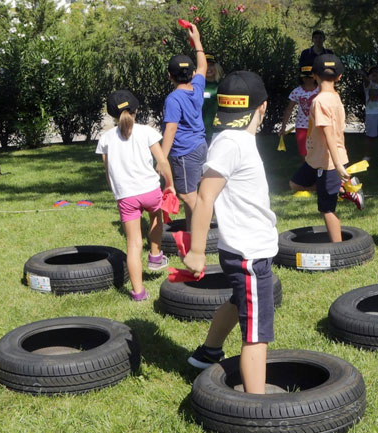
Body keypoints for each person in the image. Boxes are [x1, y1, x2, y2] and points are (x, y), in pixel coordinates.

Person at [185, 71, 278, 395]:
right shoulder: (232, 143)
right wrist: (197, 251)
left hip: (246, 248)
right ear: (262, 107)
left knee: (239, 301)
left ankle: (208, 352)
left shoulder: (233, 139)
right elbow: (205, 196)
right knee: (256, 332)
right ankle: (255, 406)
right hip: (248, 253)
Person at [96, 90, 175, 301]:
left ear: (112, 115)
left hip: (126, 196)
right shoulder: (146, 131)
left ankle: (138, 293)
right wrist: (170, 184)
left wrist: (116, 192)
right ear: (137, 110)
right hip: (150, 190)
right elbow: (163, 162)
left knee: (133, 244)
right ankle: (156, 256)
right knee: (156, 217)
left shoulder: (105, 139)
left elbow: (108, 172)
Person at [290, 54, 364, 243]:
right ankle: (341, 190)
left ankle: (339, 249)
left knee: (327, 209)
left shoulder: (320, 101)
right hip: (316, 158)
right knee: (295, 184)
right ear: (339, 77)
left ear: (314, 75)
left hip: (329, 162)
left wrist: (338, 166)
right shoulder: (334, 97)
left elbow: (329, 134)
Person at [162, 23, 207, 230]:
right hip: (199, 147)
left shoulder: (173, 98)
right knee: (192, 193)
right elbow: (204, 67)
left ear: (169, 76)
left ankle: (203, 234)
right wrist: (196, 40)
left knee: (188, 196)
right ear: (192, 74)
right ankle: (192, 230)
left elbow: (170, 129)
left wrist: (162, 160)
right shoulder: (196, 88)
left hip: (184, 152)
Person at [279, 64, 319, 161]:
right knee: (303, 151)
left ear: (315, 77)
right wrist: (283, 126)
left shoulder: (320, 90)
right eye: (305, 77)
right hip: (302, 126)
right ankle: (307, 169)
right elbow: (289, 109)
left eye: (310, 77)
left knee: (318, 149)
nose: (307, 79)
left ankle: (317, 170)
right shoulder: (297, 91)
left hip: (318, 125)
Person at [202, 53, 224, 144]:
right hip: (201, 131)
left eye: (211, 65)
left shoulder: (222, 85)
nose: (208, 68)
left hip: (217, 129)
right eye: (205, 66)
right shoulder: (196, 86)